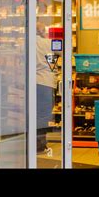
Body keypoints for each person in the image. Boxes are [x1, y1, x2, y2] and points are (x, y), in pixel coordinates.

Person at [36, 22, 57, 152]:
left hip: (30, 82)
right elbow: (51, 64)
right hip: (45, 82)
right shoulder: (47, 44)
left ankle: (32, 142)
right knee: (43, 115)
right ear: (43, 31)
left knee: (33, 113)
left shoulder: (24, 44)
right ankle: (39, 144)